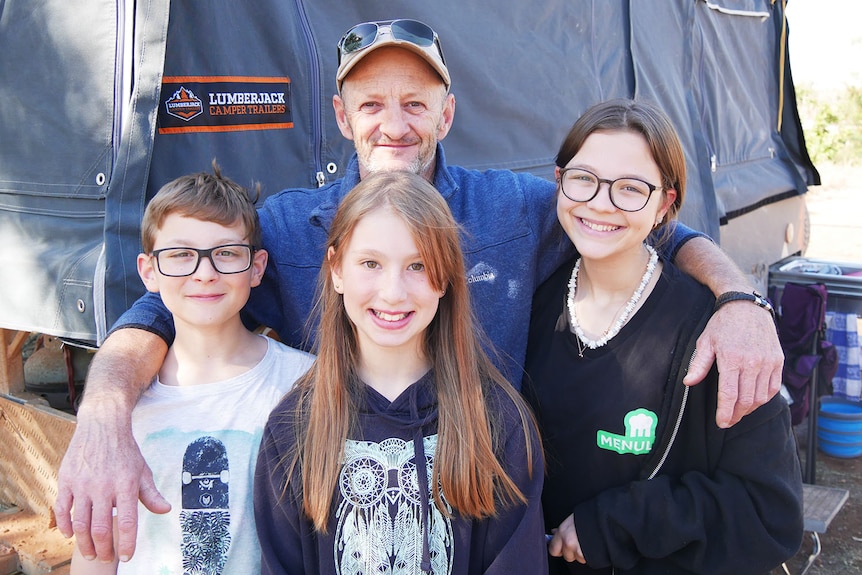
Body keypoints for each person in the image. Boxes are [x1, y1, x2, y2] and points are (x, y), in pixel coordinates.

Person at [56, 19, 784, 563]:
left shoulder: (513, 209)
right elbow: (181, 291)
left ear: (447, 113)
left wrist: (737, 300)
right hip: (338, 505)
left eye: (416, 102)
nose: (393, 124)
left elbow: (637, 224)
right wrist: (105, 409)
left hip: (485, 494)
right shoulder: (290, 225)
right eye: (371, 104)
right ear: (342, 118)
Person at [523, 99, 803, 574]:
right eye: (584, 178)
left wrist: (616, 525)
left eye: (631, 188)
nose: (600, 202)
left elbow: (767, 512)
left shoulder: (716, 336)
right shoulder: (531, 307)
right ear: (559, 181)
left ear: (664, 204)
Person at [254, 170, 546, 574]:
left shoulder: (497, 423)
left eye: (417, 265)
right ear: (336, 269)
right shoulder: (294, 427)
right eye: (371, 263)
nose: (393, 291)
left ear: (445, 277)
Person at [69, 163, 315, 573]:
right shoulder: (122, 406)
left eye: (226, 253)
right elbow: (98, 548)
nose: (205, 273)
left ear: (256, 267)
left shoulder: (305, 384)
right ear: (149, 271)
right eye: (181, 255)